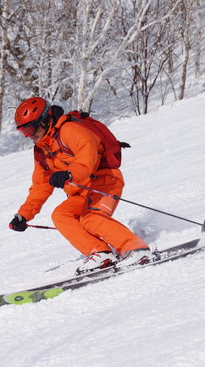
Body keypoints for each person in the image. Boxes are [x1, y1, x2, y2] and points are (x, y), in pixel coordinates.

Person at [8, 97, 151, 274]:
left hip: (104, 181)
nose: (29, 136)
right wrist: (23, 215)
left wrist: (69, 174)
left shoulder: (70, 130)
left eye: (30, 129)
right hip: (81, 192)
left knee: (91, 218)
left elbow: (87, 155)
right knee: (61, 215)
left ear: (45, 120)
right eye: (24, 132)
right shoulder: (41, 151)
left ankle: (135, 249)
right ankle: (100, 253)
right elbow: (40, 186)